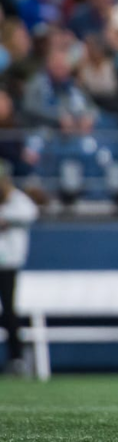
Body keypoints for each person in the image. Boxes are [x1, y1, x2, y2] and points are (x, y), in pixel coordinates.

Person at [0, 160, 39, 374]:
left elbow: (31, 213)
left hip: (8, 263)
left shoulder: (16, 200)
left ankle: (16, 358)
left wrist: (6, 218)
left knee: (9, 312)